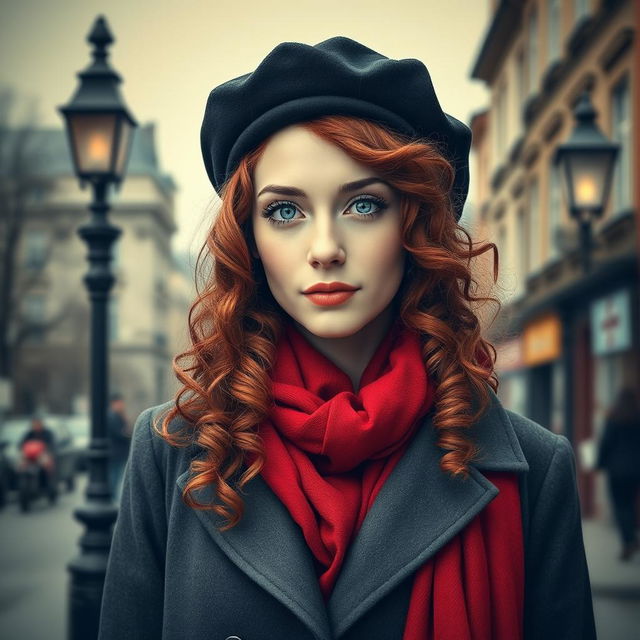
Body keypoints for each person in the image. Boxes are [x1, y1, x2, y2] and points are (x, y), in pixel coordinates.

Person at [99, 37, 596, 639]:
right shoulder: (173, 452)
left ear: (414, 225)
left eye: (363, 205)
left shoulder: (532, 471)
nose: (326, 248)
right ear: (248, 239)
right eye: (286, 211)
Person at [596, 387, 640, 561]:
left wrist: (599, 463)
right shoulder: (637, 418)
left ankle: (628, 540)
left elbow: (605, 443)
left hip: (616, 470)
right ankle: (631, 539)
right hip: (635, 470)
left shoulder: (613, 418)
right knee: (629, 504)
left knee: (620, 506)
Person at [107, 392, 131, 503]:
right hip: (115, 453)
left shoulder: (118, 416)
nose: (122, 405)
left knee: (117, 476)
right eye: (119, 403)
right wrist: (126, 434)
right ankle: (112, 497)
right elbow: (119, 433)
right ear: (114, 403)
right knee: (114, 476)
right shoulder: (112, 416)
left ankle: (113, 496)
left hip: (118, 453)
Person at [19, 414, 57, 481]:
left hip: (42, 455)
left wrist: (47, 451)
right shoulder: (29, 434)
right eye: (34, 423)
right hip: (30, 456)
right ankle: (23, 480)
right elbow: (21, 444)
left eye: (38, 423)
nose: (36, 425)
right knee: (21, 465)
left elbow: (52, 445)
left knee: (46, 464)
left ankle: (47, 480)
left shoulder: (47, 433)